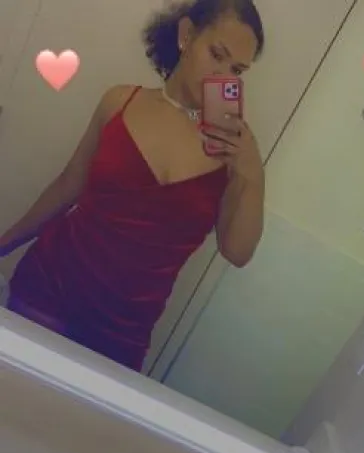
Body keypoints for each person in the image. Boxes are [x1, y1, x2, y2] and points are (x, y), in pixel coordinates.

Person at [0, 0, 265, 372]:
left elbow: (237, 252)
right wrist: (4, 243)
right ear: (187, 35)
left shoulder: (235, 151)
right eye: (217, 55)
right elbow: (67, 186)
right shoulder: (120, 102)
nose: (222, 76)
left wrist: (252, 172)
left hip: (122, 333)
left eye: (236, 70)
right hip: (48, 289)